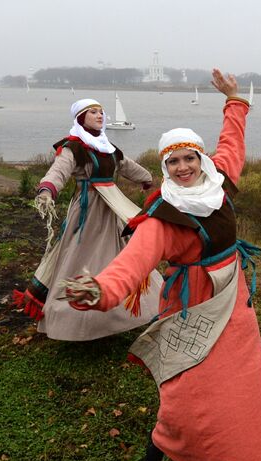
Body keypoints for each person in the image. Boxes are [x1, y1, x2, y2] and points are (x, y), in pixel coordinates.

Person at [60, 69, 261, 461]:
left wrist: (235, 99)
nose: (183, 168)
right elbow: (133, 263)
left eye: (189, 158)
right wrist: (102, 291)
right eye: (172, 162)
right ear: (164, 167)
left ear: (201, 160)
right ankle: (164, 442)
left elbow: (232, 142)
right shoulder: (164, 216)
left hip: (233, 301)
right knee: (188, 389)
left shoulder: (220, 182)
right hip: (191, 306)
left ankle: (233, 458)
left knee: (240, 388)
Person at [12, 97, 162, 340]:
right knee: (81, 254)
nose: (100, 115)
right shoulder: (74, 147)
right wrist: (48, 188)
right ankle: (76, 314)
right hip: (87, 211)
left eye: (101, 112)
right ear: (81, 118)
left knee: (120, 252)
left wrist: (146, 179)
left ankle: (120, 307)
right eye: (93, 112)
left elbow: (126, 166)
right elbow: (59, 170)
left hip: (112, 209)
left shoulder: (107, 146)